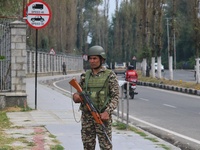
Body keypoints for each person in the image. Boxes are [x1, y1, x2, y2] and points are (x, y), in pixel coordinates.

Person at [72, 45, 119, 150]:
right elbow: (78, 93)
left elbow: (115, 97)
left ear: (101, 59)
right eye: (90, 58)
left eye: (95, 58)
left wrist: (107, 111)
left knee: (106, 147)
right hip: (87, 117)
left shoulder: (110, 76)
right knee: (88, 146)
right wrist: (75, 97)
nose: (92, 61)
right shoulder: (85, 76)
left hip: (102, 117)